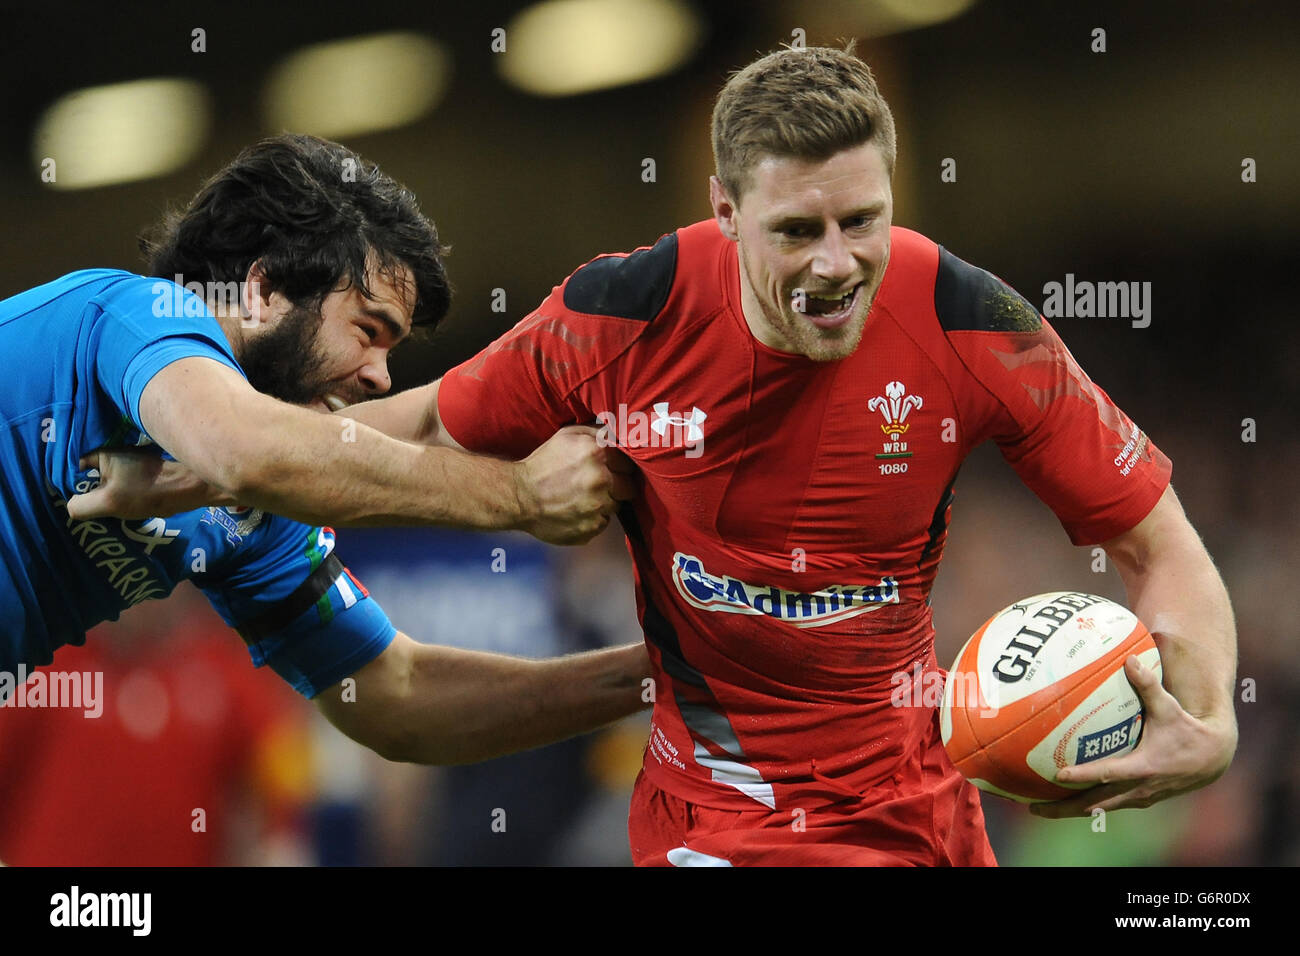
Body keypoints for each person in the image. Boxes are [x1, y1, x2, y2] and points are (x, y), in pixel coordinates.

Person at [83, 48, 1240, 865]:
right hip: (725, 822)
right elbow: (432, 422)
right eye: (796, 229)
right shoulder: (624, 313)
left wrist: (1209, 717)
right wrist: (192, 467)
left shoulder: (974, 321)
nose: (838, 263)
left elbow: (1159, 543)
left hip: (926, 813)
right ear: (723, 210)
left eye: (864, 220)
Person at [0, 134, 648, 767]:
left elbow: (398, 699)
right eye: (367, 330)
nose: (380, 377)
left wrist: (660, 673)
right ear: (260, 291)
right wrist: (517, 494)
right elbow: (244, 448)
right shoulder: (138, 312)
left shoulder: (253, 512)